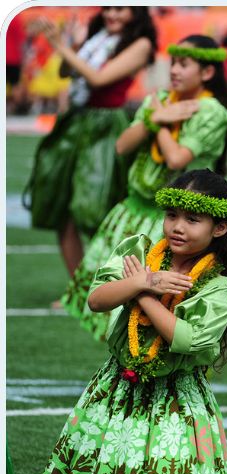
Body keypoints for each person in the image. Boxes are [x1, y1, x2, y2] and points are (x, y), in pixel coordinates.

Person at [28, 169, 227, 474]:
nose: (177, 227)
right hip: (116, 389)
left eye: (192, 219)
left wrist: (141, 292)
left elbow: (186, 338)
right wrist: (145, 279)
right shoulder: (140, 252)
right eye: (171, 215)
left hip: (175, 400)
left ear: (219, 228)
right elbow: (96, 300)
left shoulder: (217, 287)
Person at [61, 35, 227, 341]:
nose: (175, 70)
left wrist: (161, 122)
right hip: (131, 209)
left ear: (207, 73)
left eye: (184, 64)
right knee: (109, 298)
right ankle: (122, 369)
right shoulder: (160, 100)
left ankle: (141, 367)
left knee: (149, 310)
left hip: (167, 217)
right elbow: (122, 145)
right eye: (174, 63)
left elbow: (177, 157)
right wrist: (155, 117)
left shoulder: (211, 111)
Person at [23, 7, 157, 281]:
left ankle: (108, 284)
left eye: (121, 9)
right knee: (63, 208)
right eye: (108, 8)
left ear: (136, 12)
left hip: (106, 127)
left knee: (94, 209)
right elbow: (65, 71)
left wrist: (60, 45)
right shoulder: (97, 36)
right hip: (76, 122)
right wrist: (70, 44)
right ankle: (78, 287)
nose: (112, 14)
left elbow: (98, 79)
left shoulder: (140, 43)